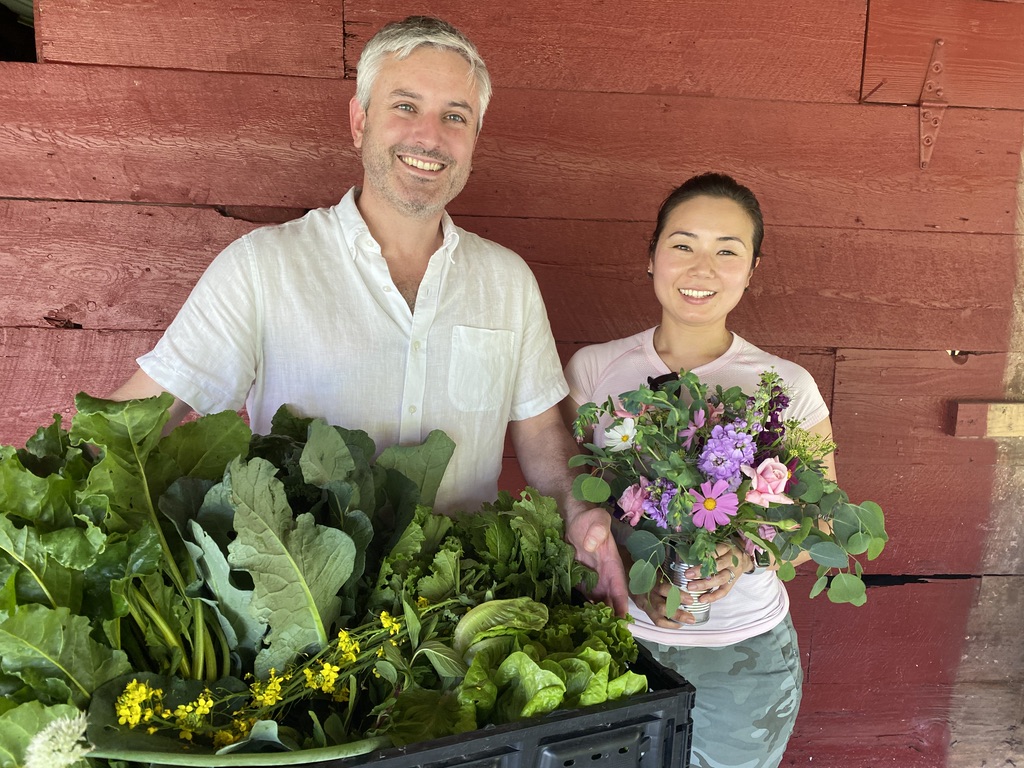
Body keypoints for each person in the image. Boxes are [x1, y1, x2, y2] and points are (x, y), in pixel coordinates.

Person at [108, 15, 627, 616]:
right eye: (405, 106)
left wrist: (577, 509)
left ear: (475, 138)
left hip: (460, 617)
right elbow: (134, 423)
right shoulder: (263, 267)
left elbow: (540, 434)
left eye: (455, 116)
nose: (430, 137)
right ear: (359, 121)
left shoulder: (508, 282)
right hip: (305, 621)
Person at [560, 172, 837, 768]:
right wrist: (633, 564)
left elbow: (823, 525)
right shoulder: (594, 371)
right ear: (651, 256)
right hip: (615, 641)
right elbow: (573, 501)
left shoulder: (788, 388)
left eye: (727, 251)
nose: (702, 268)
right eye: (683, 244)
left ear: (752, 268)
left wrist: (746, 556)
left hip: (745, 661)